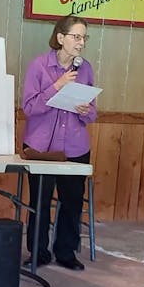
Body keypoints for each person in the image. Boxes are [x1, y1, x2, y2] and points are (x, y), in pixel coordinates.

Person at [21, 14, 96, 271]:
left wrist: (86, 111)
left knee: (72, 201)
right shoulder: (39, 66)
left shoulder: (85, 68)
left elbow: (94, 111)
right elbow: (29, 107)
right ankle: (38, 252)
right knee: (40, 201)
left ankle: (66, 252)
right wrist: (58, 86)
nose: (81, 43)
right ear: (60, 37)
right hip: (42, 147)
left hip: (75, 146)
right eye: (76, 37)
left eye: (84, 37)